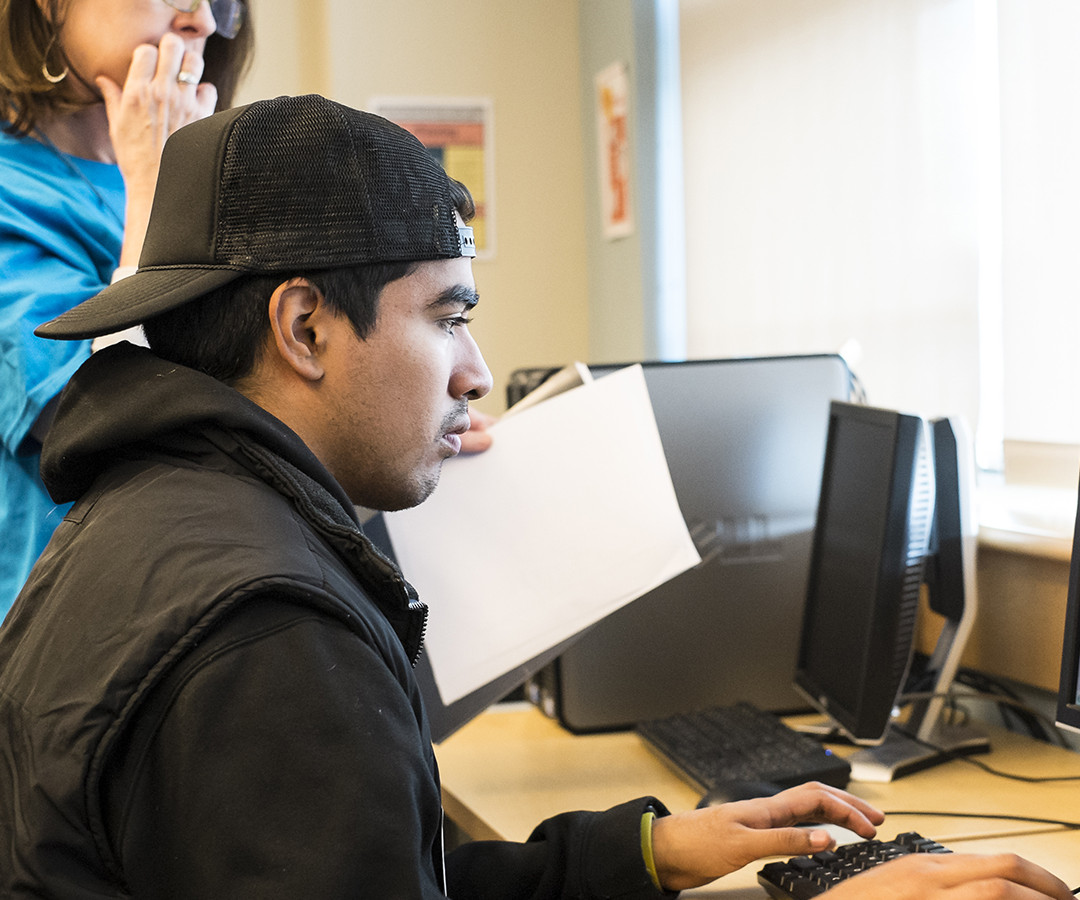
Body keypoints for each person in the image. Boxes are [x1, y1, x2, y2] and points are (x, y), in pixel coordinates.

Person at [0, 95, 1070, 900]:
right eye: (447, 314)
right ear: (304, 328)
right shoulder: (267, 636)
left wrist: (644, 851)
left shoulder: (156, 522)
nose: (475, 369)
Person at [0, 0, 255, 617]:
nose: (201, 21)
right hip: (79, 622)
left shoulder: (222, 176)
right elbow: (94, 425)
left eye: (222, 2)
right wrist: (158, 184)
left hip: (224, 588)